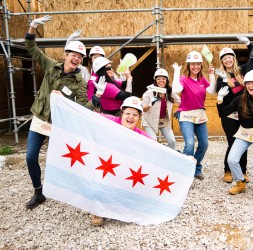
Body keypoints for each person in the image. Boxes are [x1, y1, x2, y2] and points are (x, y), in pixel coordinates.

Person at [24, 15, 105, 209]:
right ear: (65, 55)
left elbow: (83, 107)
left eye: (79, 57)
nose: (76, 58)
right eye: (73, 55)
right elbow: (31, 49)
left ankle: (76, 192)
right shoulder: (51, 66)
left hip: (59, 125)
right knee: (30, 157)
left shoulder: (79, 83)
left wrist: (97, 98)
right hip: (40, 119)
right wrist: (32, 27)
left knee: (64, 160)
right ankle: (38, 191)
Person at [91, 96, 151, 226]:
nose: (131, 117)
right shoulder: (110, 121)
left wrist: (183, 158)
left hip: (124, 169)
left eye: (135, 114)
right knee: (100, 178)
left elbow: (159, 150)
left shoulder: (141, 135)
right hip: (106, 165)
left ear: (139, 117)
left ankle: (120, 205)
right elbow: (87, 115)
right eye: (128, 113)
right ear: (121, 113)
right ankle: (98, 210)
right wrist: (64, 101)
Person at [215, 36, 253, 183]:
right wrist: (223, 83)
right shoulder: (221, 76)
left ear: (233, 59)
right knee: (232, 142)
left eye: (230, 57)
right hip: (228, 113)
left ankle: (243, 171)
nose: (228, 60)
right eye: (225, 58)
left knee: (243, 141)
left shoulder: (242, 70)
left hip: (243, 112)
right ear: (222, 61)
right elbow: (220, 93)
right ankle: (227, 170)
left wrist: (248, 43)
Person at [172, 51, 216, 180]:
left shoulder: (202, 79)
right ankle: (184, 171)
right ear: (188, 65)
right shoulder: (183, 79)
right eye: (193, 64)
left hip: (200, 114)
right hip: (186, 114)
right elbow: (175, 90)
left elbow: (212, 91)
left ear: (201, 65)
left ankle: (196, 168)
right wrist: (176, 72)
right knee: (190, 143)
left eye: (198, 64)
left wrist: (212, 75)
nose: (195, 66)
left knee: (204, 143)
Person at [141, 68, 181, 149]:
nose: (161, 81)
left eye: (163, 79)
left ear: (167, 80)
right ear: (155, 80)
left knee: (172, 141)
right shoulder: (148, 93)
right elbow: (143, 109)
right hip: (149, 121)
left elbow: (180, 102)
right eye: (158, 79)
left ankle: (169, 157)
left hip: (163, 121)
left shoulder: (170, 92)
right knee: (153, 142)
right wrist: (150, 104)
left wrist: (180, 110)